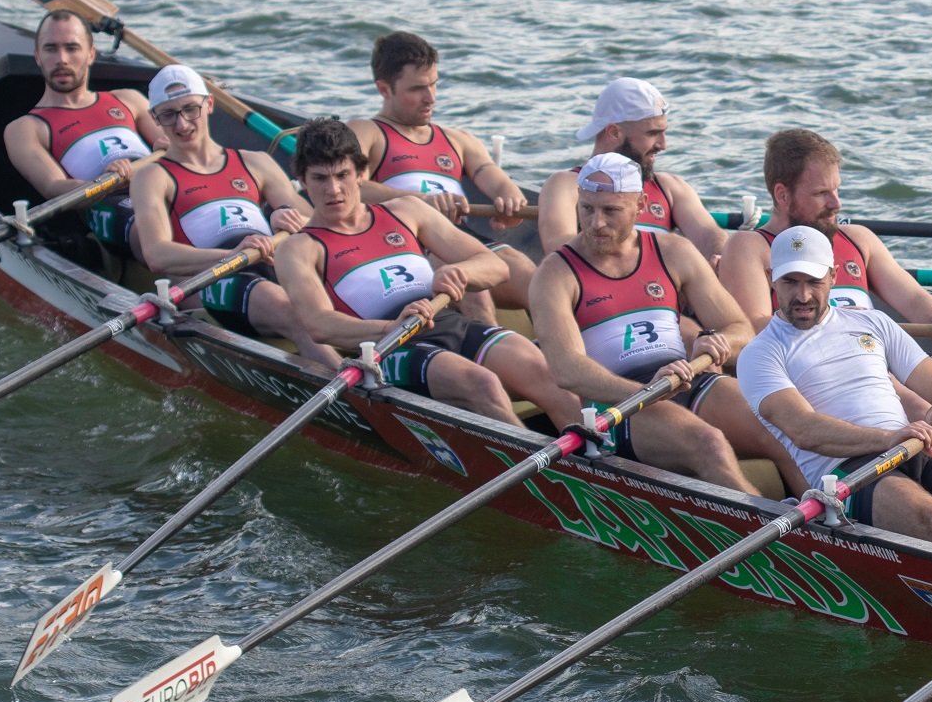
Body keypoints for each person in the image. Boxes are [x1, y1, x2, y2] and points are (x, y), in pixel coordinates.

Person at [736, 226, 932, 561]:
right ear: (771, 279)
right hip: (848, 470)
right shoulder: (759, 354)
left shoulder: (874, 323)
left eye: (813, 281)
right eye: (790, 282)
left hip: (916, 445)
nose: (803, 295)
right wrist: (889, 438)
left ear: (833, 276)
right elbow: (804, 430)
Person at [275, 117, 577, 430]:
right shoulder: (298, 248)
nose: (333, 189)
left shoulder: (406, 211)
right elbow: (319, 324)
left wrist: (459, 272)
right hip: (390, 347)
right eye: (320, 178)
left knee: (546, 373)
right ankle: (529, 459)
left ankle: (595, 458)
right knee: (482, 383)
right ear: (302, 180)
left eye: (342, 175)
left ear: (361, 173)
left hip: (446, 321)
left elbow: (495, 266)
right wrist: (390, 327)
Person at [528, 152, 799, 497]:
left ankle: (831, 521)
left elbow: (740, 329)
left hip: (684, 376)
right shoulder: (555, 274)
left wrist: (715, 343)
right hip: (618, 406)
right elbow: (567, 370)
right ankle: (771, 529)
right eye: (587, 209)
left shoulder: (674, 251)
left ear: (640, 205)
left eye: (610, 210)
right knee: (708, 443)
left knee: (781, 425)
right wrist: (646, 392)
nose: (596, 223)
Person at [716, 128, 932, 431]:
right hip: (823, 370)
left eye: (837, 190)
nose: (836, 203)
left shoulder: (858, 238)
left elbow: (912, 297)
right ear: (783, 195)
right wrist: (840, 323)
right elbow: (753, 328)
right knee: (916, 406)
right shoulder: (750, 247)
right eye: (821, 194)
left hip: (886, 354)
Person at [125, 65, 339, 368]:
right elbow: (157, 254)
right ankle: (357, 392)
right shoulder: (152, 176)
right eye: (169, 115)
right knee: (298, 315)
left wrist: (287, 219)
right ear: (155, 119)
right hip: (217, 279)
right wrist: (232, 255)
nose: (182, 124)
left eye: (190, 109)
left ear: (210, 104)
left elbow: (327, 230)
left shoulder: (256, 162)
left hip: (274, 261)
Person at [345, 31, 532, 319]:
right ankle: (489, 340)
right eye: (417, 89)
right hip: (406, 243)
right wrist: (421, 202)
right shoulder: (366, 132)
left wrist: (509, 198)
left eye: (434, 84)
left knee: (535, 279)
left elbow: (492, 175)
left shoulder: (458, 139)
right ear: (384, 89)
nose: (430, 97)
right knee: (470, 286)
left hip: (460, 239)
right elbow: (350, 189)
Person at [2, 10, 163, 251]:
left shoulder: (129, 99)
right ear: (37, 56)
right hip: (109, 202)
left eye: (72, 48)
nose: (62, 59)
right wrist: (104, 183)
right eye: (51, 49)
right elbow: (54, 187)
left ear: (90, 54)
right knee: (152, 225)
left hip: (162, 184)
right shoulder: (25, 128)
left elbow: (177, 150)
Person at [536, 78, 727, 261]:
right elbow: (559, 251)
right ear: (614, 132)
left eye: (663, 133)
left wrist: (720, 258)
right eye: (653, 133)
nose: (663, 145)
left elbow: (709, 236)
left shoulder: (671, 187)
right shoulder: (566, 185)